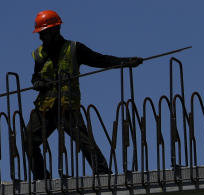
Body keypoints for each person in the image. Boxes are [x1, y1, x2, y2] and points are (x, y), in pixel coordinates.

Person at [25, 10, 143, 179]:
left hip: (66, 105)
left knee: (83, 140)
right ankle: (41, 176)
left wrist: (125, 62)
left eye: (43, 33)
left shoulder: (74, 49)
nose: (41, 37)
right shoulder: (39, 54)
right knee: (28, 140)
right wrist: (38, 83)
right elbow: (35, 77)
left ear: (55, 30)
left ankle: (102, 173)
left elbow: (100, 60)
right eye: (40, 33)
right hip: (45, 106)